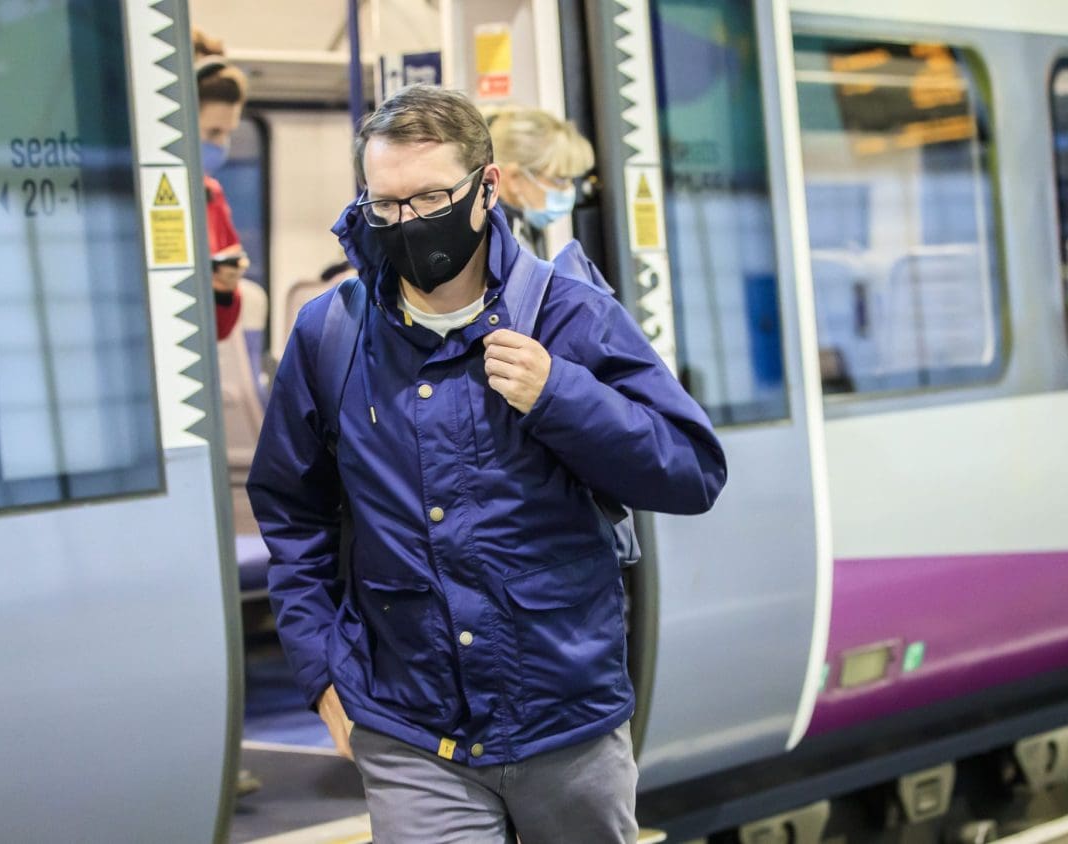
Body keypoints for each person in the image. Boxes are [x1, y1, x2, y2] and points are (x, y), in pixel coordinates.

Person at [248, 86, 726, 843]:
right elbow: (291, 513)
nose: (407, 222)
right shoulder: (330, 333)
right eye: (385, 204)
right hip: (409, 728)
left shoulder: (569, 314)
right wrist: (321, 672)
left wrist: (559, 394)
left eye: (431, 198)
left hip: (566, 723)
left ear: (486, 188)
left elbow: (691, 470)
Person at [194, 28, 249, 340]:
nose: (220, 145)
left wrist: (224, 288)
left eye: (228, 133)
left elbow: (220, 329)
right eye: (213, 132)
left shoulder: (211, 195)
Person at [483, 105, 595, 257]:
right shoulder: (493, 240)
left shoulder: (519, 227)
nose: (569, 190)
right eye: (561, 180)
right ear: (515, 178)